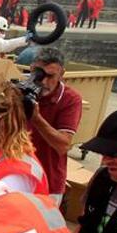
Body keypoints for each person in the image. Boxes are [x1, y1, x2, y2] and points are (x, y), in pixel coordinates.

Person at [26, 47, 82, 205]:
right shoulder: (23, 90)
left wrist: (36, 118)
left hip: (48, 183)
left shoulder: (70, 99)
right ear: (31, 69)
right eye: (38, 74)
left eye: (50, 76)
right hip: (19, 176)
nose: (43, 81)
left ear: (61, 74)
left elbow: (64, 145)